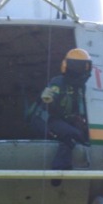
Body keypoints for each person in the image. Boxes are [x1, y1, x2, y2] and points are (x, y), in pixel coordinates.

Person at [29, 49, 92, 184]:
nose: (85, 69)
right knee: (71, 135)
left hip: (60, 120)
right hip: (47, 120)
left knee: (79, 135)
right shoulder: (58, 82)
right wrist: (50, 100)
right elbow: (49, 99)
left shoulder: (79, 87)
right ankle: (58, 171)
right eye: (82, 66)